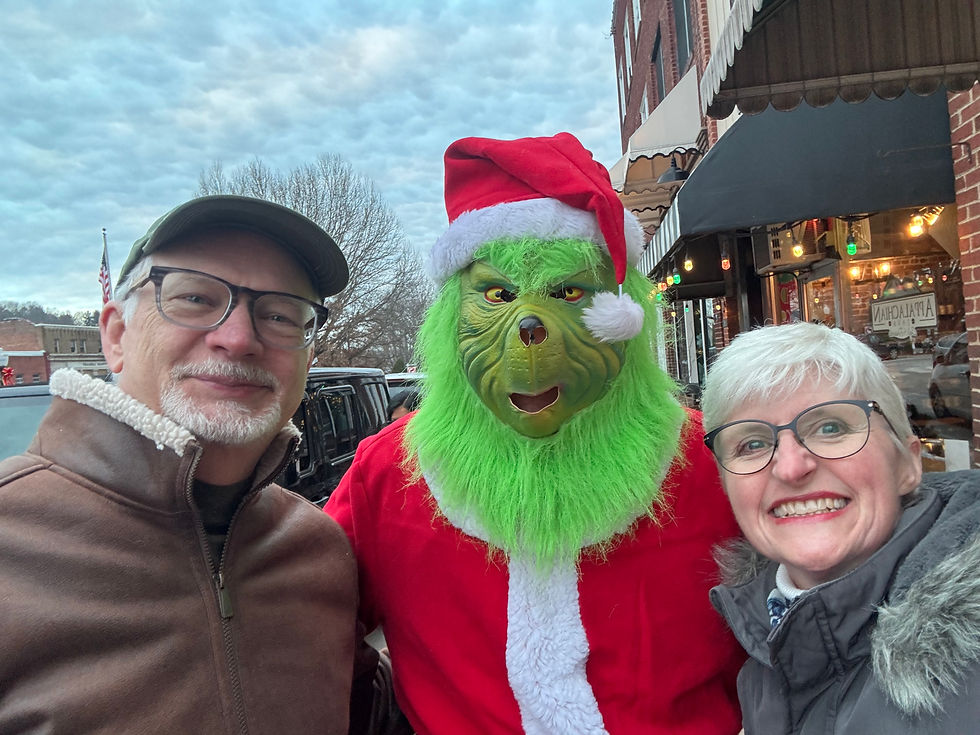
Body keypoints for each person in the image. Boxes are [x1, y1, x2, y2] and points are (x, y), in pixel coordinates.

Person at [327, 133, 744, 734]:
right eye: (495, 295)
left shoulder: (713, 459)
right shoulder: (390, 474)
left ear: (623, 312)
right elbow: (298, 626)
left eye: (570, 292)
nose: (529, 325)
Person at [0, 195, 361, 733]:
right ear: (117, 335)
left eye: (281, 315)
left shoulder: (319, 551)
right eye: (194, 297)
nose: (239, 338)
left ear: (308, 357)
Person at [701, 321, 980, 734]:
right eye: (753, 444)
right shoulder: (766, 642)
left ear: (908, 463)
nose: (792, 467)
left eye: (831, 427)